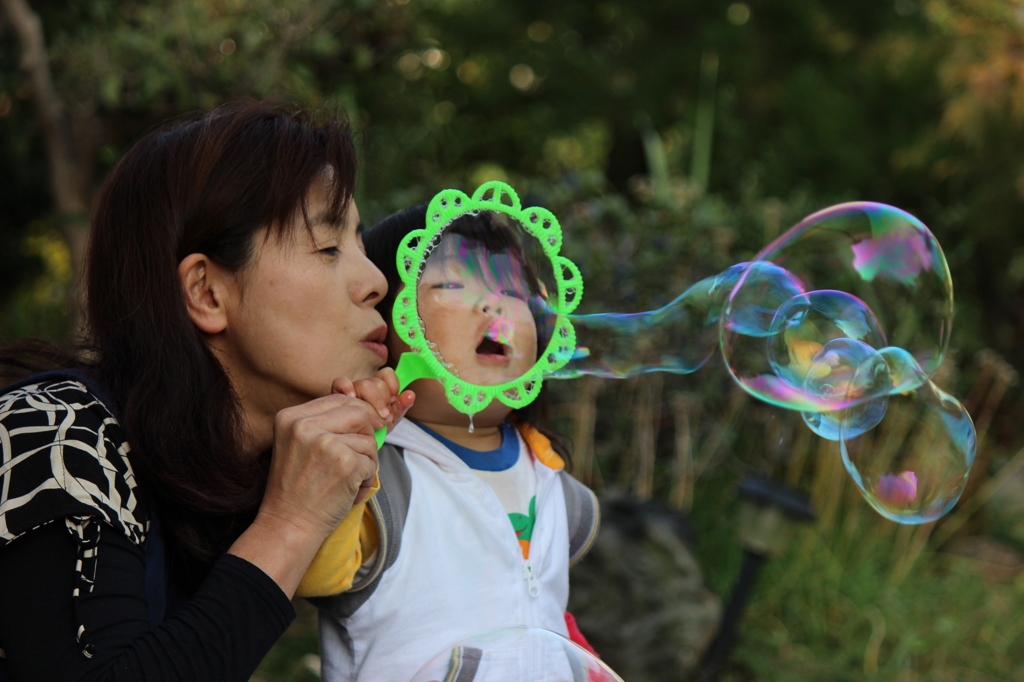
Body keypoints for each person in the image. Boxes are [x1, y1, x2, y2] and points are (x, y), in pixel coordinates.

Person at [0, 101, 413, 681]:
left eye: (363, 248)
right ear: (207, 293)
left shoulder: (222, 484)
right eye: (327, 249)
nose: (375, 282)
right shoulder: (52, 431)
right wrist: (289, 524)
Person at [297, 206, 600, 682]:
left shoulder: (554, 481)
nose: (493, 306)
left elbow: (543, 612)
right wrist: (358, 443)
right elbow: (314, 575)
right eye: (453, 286)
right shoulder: (379, 477)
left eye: (514, 292)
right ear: (383, 333)